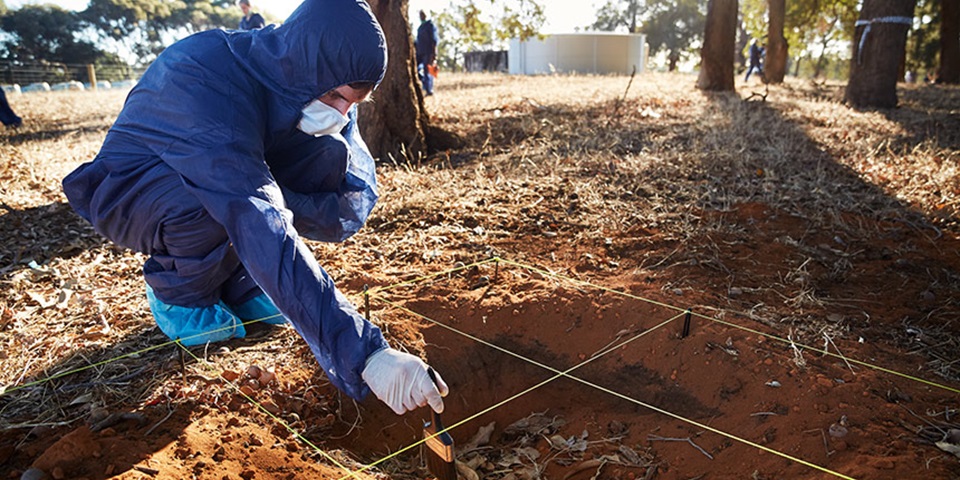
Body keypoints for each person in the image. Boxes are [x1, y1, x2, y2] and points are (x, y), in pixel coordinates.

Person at [61, 0, 448, 416]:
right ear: (303, 66)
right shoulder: (206, 83)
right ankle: (181, 294)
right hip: (136, 190)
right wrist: (366, 354)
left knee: (329, 152)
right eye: (336, 96)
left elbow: (338, 184)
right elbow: (255, 213)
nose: (342, 113)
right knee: (210, 201)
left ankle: (242, 285)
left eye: (353, 103)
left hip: (230, 178)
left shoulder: (299, 80)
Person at [414, 10, 438, 96]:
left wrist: (434, 54)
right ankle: (424, 84)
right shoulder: (420, 27)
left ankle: (429, 90)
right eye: (420, 15)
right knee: (415, 69)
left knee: (428, 70)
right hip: (419, 52)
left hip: (428, 52)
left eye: (423, 14)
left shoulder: (430, 25)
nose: (421, 16)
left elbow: (434, 40)